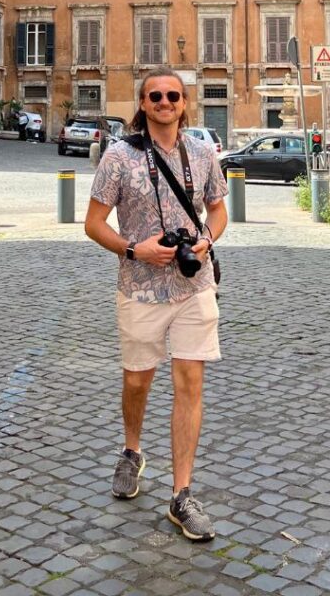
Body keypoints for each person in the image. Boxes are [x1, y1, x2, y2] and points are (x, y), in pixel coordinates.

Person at [85, 68, 228, 542]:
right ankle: (131, 451)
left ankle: (182, 495)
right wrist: (134, 248)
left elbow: (219, 210)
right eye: (155, 96)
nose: (165, 102)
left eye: (173, 95)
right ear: (143, 104)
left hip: (194, 284)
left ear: (184, 103)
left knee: (190, 380)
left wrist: (206, 239)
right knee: (137, 379)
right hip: (140, 285)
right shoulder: (119, 156)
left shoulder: (204, 152)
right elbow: (93, 223)